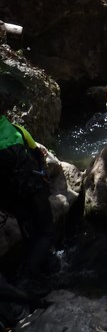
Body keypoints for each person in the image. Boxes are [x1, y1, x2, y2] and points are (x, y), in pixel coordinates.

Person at [0, 115, 54, 296]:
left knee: (29, 231)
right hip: (33, 189)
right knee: (46, 231)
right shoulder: (16, 130)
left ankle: (42, 266)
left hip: (10, 197)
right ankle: (28, 278)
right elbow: (37, 152)